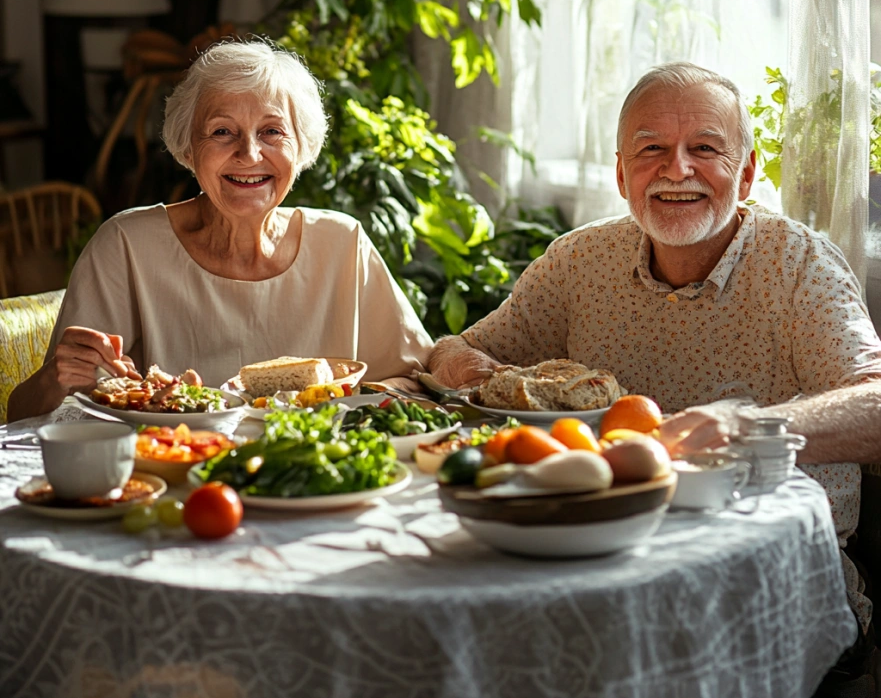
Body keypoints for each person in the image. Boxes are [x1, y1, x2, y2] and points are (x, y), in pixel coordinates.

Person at [429, 62, 881, 682]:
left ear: (746, 173)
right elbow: (458, 350)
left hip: (769, 577)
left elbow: (876, 404)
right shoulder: (579, 261)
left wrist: (744, 428)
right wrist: (468, 368)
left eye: (705, 148)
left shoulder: (799, 264)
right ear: (621, 174)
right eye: (651, 150)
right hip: (600, 560)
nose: (677, 169)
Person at [8, 39, 432, 422]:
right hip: (173, 482)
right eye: (222, 132)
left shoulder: (342, 243)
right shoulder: (126, 246)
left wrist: (346, 407)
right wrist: (53, 379)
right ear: (188, 149)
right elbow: (26, 415)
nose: (249, 154)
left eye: (272, 131)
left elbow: (415, 380)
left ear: (300, 147)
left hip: (313, 479)